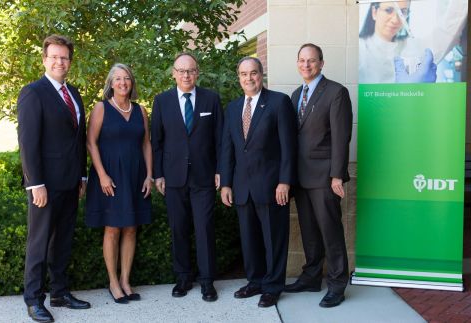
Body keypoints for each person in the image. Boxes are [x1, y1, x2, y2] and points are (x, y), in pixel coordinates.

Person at [17, 34, 90, 323]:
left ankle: (60, 292)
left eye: (64, 57)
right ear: (45, 60)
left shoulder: (74, 93)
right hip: (44, 185)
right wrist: (35, 183)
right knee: (39, 242)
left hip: (71, 182)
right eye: (54, 57)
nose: (60, 61)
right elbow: (28, 142)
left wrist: (82, 175)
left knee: (62, 241)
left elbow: (79, 139)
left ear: (69, 61)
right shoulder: (33, 92)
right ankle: (33, 299)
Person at [220, 57, 297, 308]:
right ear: (238, 77)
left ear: (261, 74)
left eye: (253, 73)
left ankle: (273, 286)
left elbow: (289, 147)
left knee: (274, 239)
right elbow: (227, 148)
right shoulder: (232, 108)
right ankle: (255, 281)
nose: (248, 78)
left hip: (272, 186)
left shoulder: (278, 102)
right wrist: (226, 183)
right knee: (249, 238)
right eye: (243, 74)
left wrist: (284, 181)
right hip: (242, 188)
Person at [284, 43, 352, 308]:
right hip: (300, 178)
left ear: (321, 63)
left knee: (330, 232)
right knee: (309, 232)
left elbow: (341, 137)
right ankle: (311, 277)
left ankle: (336, 285)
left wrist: (337, 176)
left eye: (311, 61)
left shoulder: (336, 92)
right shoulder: (294, 95)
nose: (306, 65)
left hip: (325, 177)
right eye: (302, 60)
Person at [151, 53, 223, 302]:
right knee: (178, 229)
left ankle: (207, 282)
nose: (185, 75)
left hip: (204, 177)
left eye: (190, 70)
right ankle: (183, 278)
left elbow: (220, 139)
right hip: (173, 178)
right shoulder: (162, 101)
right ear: (173, 73)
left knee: (204, 229)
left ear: (197, 73)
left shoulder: (211, 99)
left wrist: (220, 171)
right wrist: (157, 174)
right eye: (181, 70)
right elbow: (156, 142)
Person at [85, 63, 152, 304]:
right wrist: (102, 174)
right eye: (118, 79)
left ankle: (125, 280)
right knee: (112, 227)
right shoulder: (101, 108)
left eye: (127, 79)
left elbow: (146, 143)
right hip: (110, 177)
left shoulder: (140, 110)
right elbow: (91, 143)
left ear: (131, 83)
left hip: (136, 176)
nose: (123, 82)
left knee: (132, 227)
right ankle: (113, 282)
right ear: (111, 83)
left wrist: (149, 175)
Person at [358, 0, 467, 84]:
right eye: (388, 10)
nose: (395, 19)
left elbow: (447, 32)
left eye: (403, 12)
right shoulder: (359, 49)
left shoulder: (412, 47)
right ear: (374, 12)